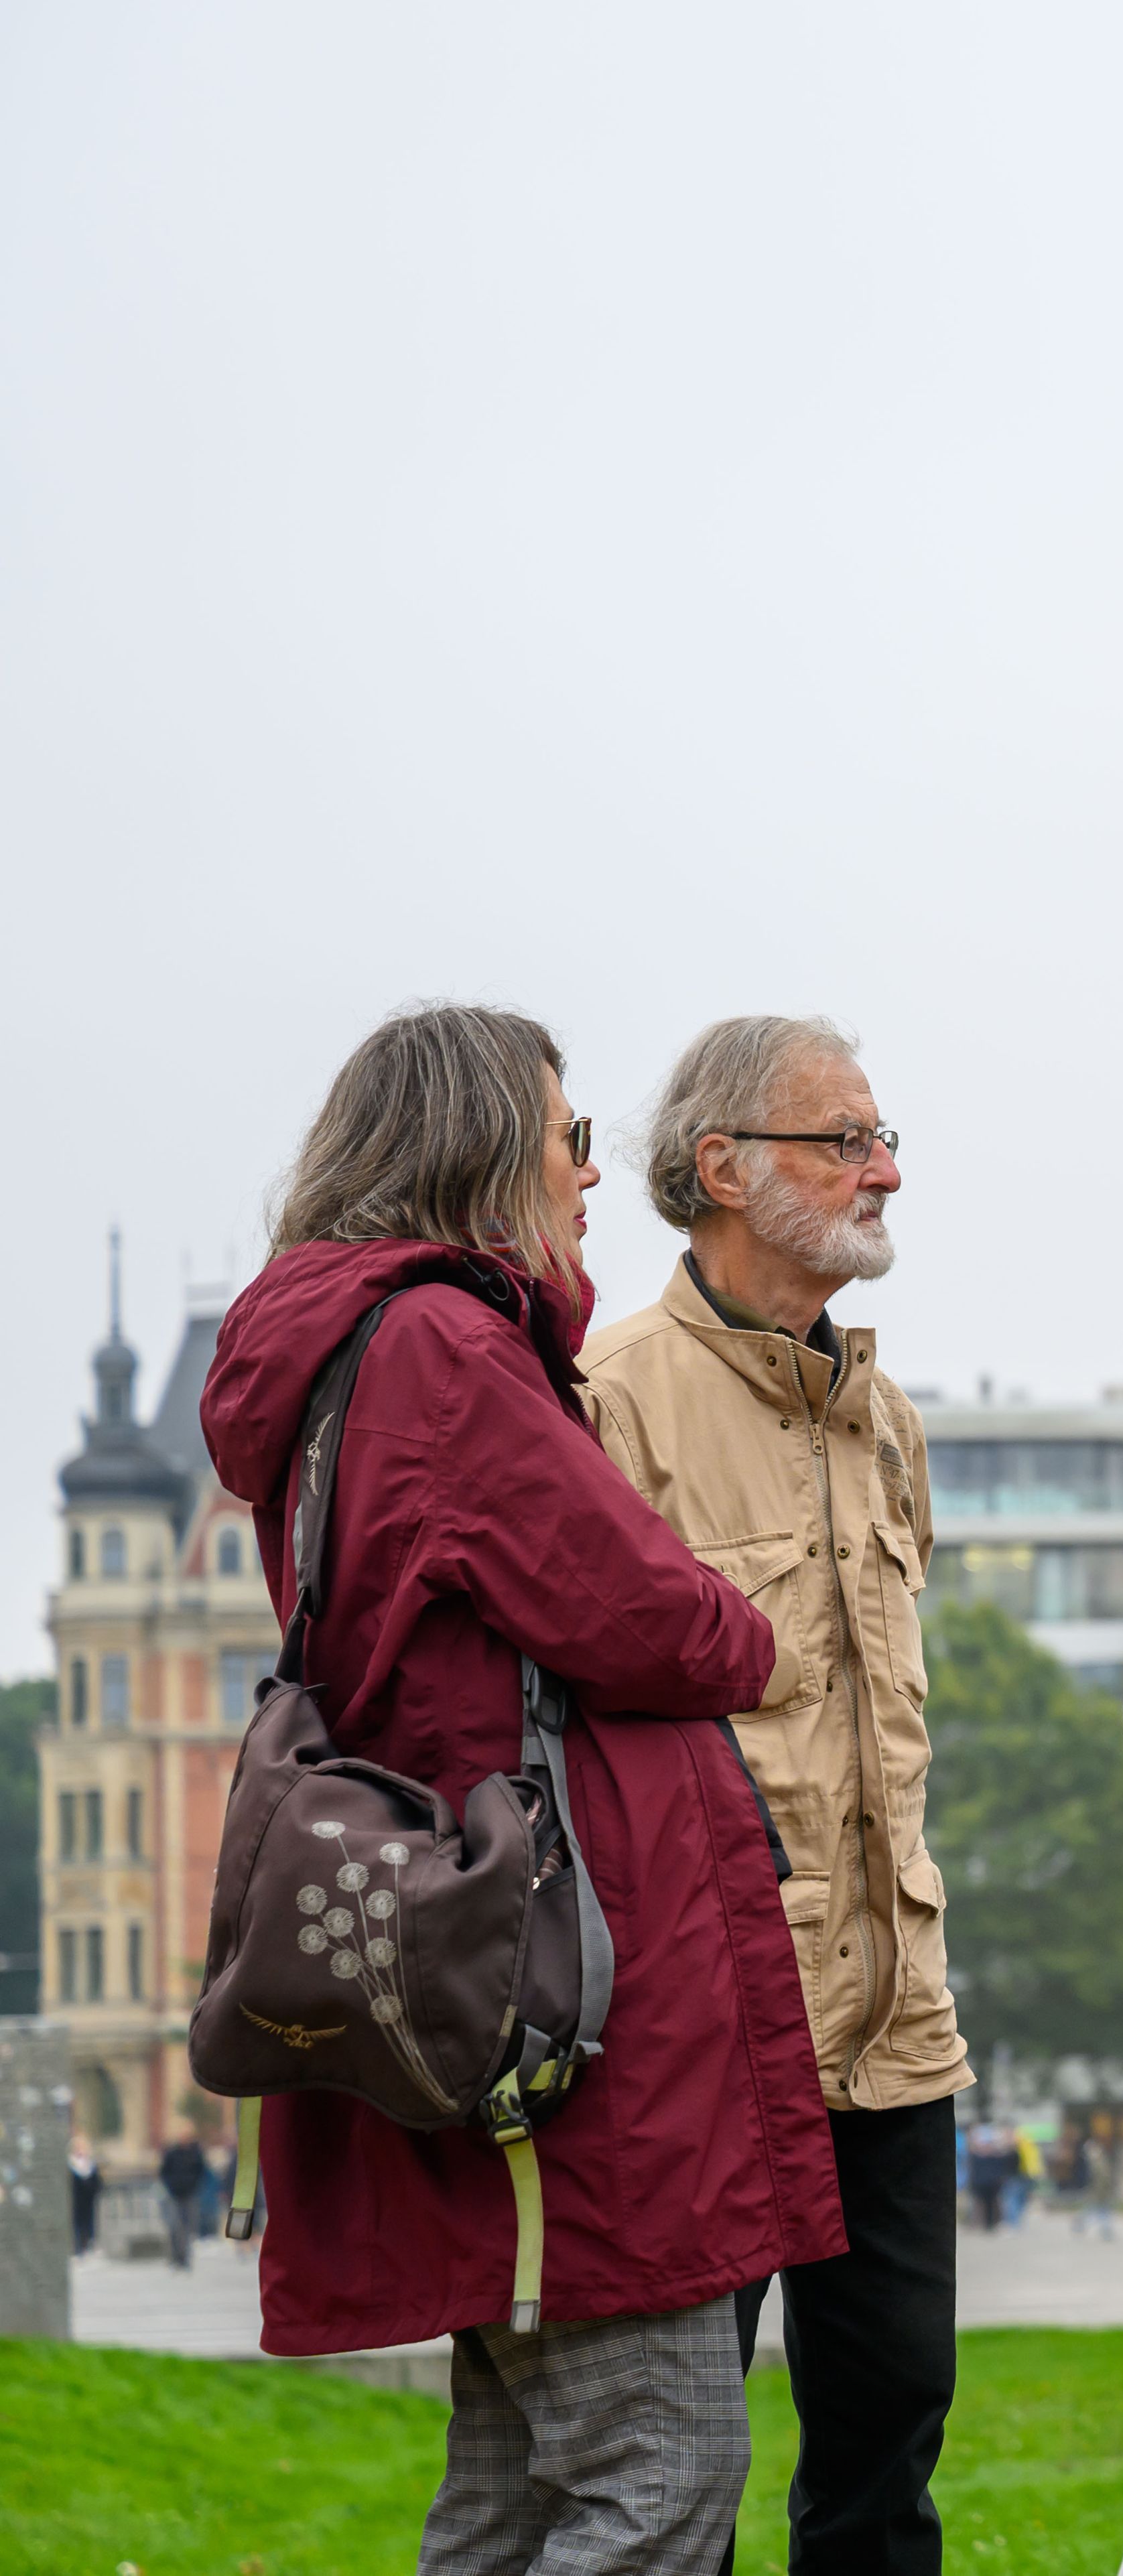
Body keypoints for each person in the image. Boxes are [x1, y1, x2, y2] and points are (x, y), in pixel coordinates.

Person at [201, 1001, 832, 2571]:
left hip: (511, 1962)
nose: (589, 1178)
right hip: (572, 1998)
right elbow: (640, 1607)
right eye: (567, 1142)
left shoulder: (361, 1339)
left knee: (510, 2487)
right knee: (661, 2459)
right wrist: (745, 1624)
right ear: (485, 1150)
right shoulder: (442, 1343)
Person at [580, 1014, 965, 2576]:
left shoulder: (885, 1420)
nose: (883, 1171)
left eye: (885, 1140)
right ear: (720, 1165)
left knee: (891, 2436)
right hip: (712, 2030)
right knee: (680, 2461)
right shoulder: (611, 1405)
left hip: (899, 2025)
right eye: (843, 1138)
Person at [152, 2125, 204, 2271]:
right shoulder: (172, 2153)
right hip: (174, 2195)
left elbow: (201, 2171)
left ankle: (185, 2258)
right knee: (175, 2226)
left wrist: (194, 2184)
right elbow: (163, 2171)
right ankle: (176, 2257)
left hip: (190, 2194)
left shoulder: (196, 2153)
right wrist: (170, 2185)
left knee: (188, 2227)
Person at [68, 2134, 100, 2258]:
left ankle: (88, 2243)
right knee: (76, 2223)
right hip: (76, 2199)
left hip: (89, 2199)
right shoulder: (71, 2164)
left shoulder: (90, 2164)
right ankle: (78, 2247)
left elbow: (97, 2181)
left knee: (89, 2222)